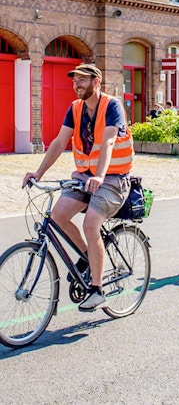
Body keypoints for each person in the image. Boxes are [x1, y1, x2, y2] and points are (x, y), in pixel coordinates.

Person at [22, 63, 134, 312]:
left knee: (90, 223)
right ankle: (87, 256)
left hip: (113, 179)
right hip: (84, 177)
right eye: (75, 80)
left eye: (83, 80)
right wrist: (38, 173)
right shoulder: (75, 109)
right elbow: (60, 141)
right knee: (58, 216)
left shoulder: (112, 105)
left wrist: (100, 176)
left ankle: (97, 289)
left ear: (96, 82)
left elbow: (108, 142)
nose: (77, 84)